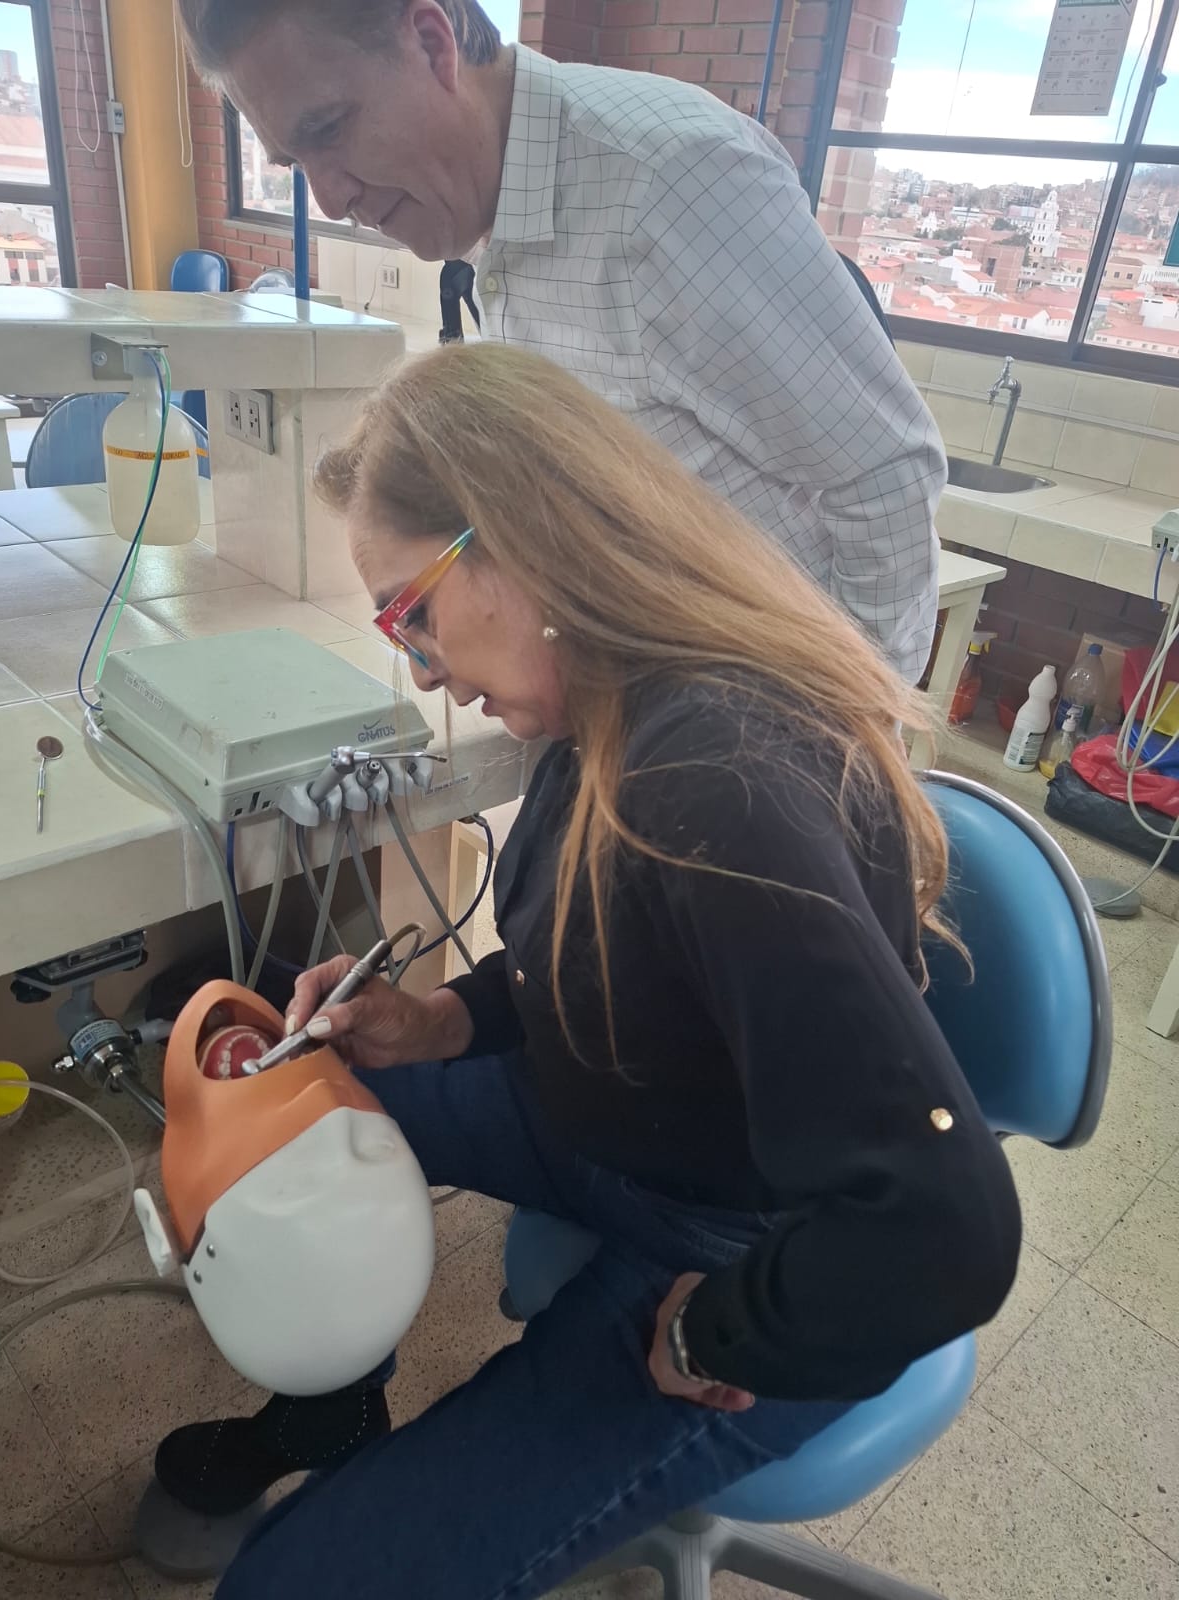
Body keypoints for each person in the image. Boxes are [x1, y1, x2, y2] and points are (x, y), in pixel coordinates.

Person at [170, 342, 1019, 1599]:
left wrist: (715, 1331)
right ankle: (331, 1408)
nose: (422, 667)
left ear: (522, 541)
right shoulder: (608, 701)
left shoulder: (713, 786)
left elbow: (948, 1229)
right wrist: (438, 1020)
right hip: (617, 1116)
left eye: (413, 613)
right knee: (295, 1106)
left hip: (740, 1239)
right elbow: (612, 955)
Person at [178, 0, 947, 682]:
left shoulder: (667, 185)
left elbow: (885, 478)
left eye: (330, 130)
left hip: (763, 733)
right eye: (295, 161)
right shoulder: (503, 219)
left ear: (432, 43)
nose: (329, 197)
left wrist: (837, 741)